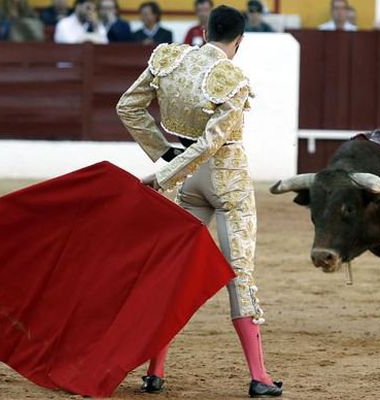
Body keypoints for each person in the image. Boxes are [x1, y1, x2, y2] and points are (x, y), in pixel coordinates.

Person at [116, 4, 283, 398]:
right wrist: (164, 174)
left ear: (205, 29)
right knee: (238, 273)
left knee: (170, 272)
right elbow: (213, 143)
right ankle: (259, 377)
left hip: (185, 178)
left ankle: (154, 373)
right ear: (239, 40)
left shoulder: (169, 57)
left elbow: (128, 107)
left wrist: (166, 158)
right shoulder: (233, 77)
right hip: (227, 180)